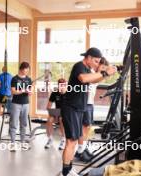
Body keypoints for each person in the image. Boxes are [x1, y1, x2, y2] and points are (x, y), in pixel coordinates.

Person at [59, 48, 117, 176]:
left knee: (74, 141)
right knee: (71, 141)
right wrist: (105, 73)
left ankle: (69, 168)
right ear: (89, 58)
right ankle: (65, 172)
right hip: (71, 108)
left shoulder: (86, 68)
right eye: (96, 61)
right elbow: (84, 79)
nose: (97, 64)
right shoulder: (79, 66)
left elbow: (93, 80)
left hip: (79, 108)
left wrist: (107, 73)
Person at [75, 57, 110, 162]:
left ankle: (83, 149)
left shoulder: (96, 74)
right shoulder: (90, 73)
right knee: (84, 128)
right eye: (102, 66)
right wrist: (104, 74)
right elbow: (93, 81)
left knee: (88, 127)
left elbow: (99, 79)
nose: (103, 69)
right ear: (98, 64)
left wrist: (106, 73)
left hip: (90, 103)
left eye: (104, 68)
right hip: (84, 103)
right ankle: (80, 151)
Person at [9, 62, 32, 151]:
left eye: (28, 70)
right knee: (14, 124)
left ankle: (22, 143)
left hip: (26, 103)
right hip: (16, 104)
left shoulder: (28, 79)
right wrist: (23, 90)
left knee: (24, 124)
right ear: (22, 69)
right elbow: (13, 91)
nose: (27, 72)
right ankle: (12, 144)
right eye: (26, 70)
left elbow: (29, 91)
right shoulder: (14, 79)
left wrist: (29, 92)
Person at [45, 78, 67, 150]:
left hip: (66, 114)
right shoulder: (54, 93)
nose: (62, 87)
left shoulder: (69, 93)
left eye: (64, 85)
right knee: (49, 120)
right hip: (57, 113)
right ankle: (50, 139)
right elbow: (48, 106)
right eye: (61, 85)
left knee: (61, 119)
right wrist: (50, 111)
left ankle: (63, 139)